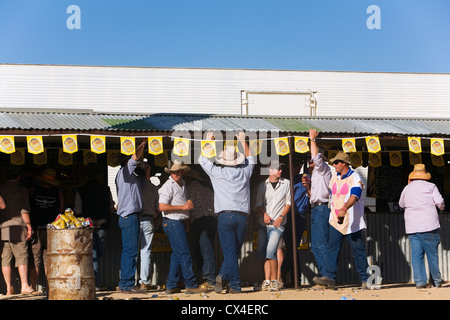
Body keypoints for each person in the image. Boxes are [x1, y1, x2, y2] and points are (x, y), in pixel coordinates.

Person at [198, 131, 256, 294]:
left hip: (225, 216)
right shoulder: (244, 173)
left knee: (231, 252)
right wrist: (243, 141)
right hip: (242, 216)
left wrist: (207, 142)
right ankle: (223, 276)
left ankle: (234, 284)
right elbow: (251, 158)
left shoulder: (218, 172)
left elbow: (202, 160)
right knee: (234, 251)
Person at [313, 151, 369, 289]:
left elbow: (355, 194)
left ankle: (366, 280)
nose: (334, 165)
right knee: (332, 249)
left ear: (344, 163)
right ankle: (330, 278)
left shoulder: (355, 177)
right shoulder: (334, 177)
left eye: (336, 162)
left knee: (358, 250)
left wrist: (344, 208)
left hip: (351, 221)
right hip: (336, 221)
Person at [159, 160, 206, 294]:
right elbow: (161, 206)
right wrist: (183, 207)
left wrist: (185, 219)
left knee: (177, 254)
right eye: (173, 172)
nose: (176, 174)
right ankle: (190, 284)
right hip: (172, 222)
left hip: (176, 222)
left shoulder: (182, 184)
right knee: (184, 253)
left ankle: (171, 284)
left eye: (178, 171)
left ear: (182, 172)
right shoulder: (168, 186)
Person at [399, 164, 445, 288]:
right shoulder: (431, 186)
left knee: (416, 255)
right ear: (425, 175)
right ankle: (436, 281)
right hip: (429, 225)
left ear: (412, 176)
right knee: (432, 254)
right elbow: (440, 202)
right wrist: (441, 208)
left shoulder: (407, 189)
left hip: (412, 227)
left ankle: (420, 282)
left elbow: (401, 204)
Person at [74, 163, 114, 291]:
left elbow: (78, 211)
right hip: (102, 225)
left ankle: (94, 284)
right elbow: (111, 209)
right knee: (98, 255)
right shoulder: (106, 189)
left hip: (87, 227)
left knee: (92, 255)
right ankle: (95, 283)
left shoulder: (80, 191)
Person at [115, 139, 148, 294]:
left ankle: (125, 284)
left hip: (129, 216)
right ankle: (127, 284)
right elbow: (134, 158)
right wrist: (143, 145)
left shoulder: (130, 177)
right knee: (131, 250)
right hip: (130, 215)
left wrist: (145, 171)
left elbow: (144, 184)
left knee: (129, 250)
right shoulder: (126, 172)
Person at [254, 160, 291, 291]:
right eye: (277, 169)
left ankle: (275, 280)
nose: (280, 171)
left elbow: (288, 202)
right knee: (264, 252)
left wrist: (281, 217)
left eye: (281, 169)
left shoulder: (286, 183)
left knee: (271, 251)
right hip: (264, 223)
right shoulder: (262, 185)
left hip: (277, 224)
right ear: (270, 171)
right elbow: (258, 204)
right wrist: (263, 214)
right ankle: (268, 280)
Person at [0, 167, 35, 295]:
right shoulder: (22, 190)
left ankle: (8, 288)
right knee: (22, 257)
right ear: (19, 177)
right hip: (18, 227)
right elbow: (24, 210)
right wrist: (29, 226)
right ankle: (25, 286)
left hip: (3, 227)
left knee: (5, 258)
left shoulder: (1, 188)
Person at [29, 167, 64, 291]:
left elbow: (28, 208)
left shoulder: (33, 190)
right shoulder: (58, 192)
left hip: (37, 229)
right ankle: (50, 288)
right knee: (49, 259)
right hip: (52, 230)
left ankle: (33, 287)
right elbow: (61, 210)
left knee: (35, 259)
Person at [307, 129, 332, 285]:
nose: (311, 163)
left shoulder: (322, 168)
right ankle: (325, 274)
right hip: (317, 208)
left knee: (320, 244)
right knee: (316, 245)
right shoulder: (318, 173)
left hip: (321, 209)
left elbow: (316, 159)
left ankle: (326, 274)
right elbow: (315, 196)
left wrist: (312, 139)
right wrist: (308, 189)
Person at [185, 169, 217, 291]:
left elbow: (189, 206)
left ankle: (209, 278)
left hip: (200, 220)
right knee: (205, 247)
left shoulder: (190, 189)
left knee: (204, 248)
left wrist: (187, 222)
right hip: (212, 220)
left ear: (190, 179)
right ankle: (206, 276)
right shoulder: (208, 190)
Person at [280, 159, 309, 288]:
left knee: (293, 247)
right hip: (287, 216)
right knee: (292, 248)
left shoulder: (304, 178)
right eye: (294, 165)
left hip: (299, 215)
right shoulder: (284, 180)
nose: (296, 167)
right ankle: (295, 278)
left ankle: (283, 271)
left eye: (298, 165)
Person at [137, 160, 159, 290]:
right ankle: (144, 282)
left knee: (132, 251)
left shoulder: (134, 187)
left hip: (136, 219)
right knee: (146, 253)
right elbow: (157, 207)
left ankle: (129, 282)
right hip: (149, 219)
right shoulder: (153, 188)